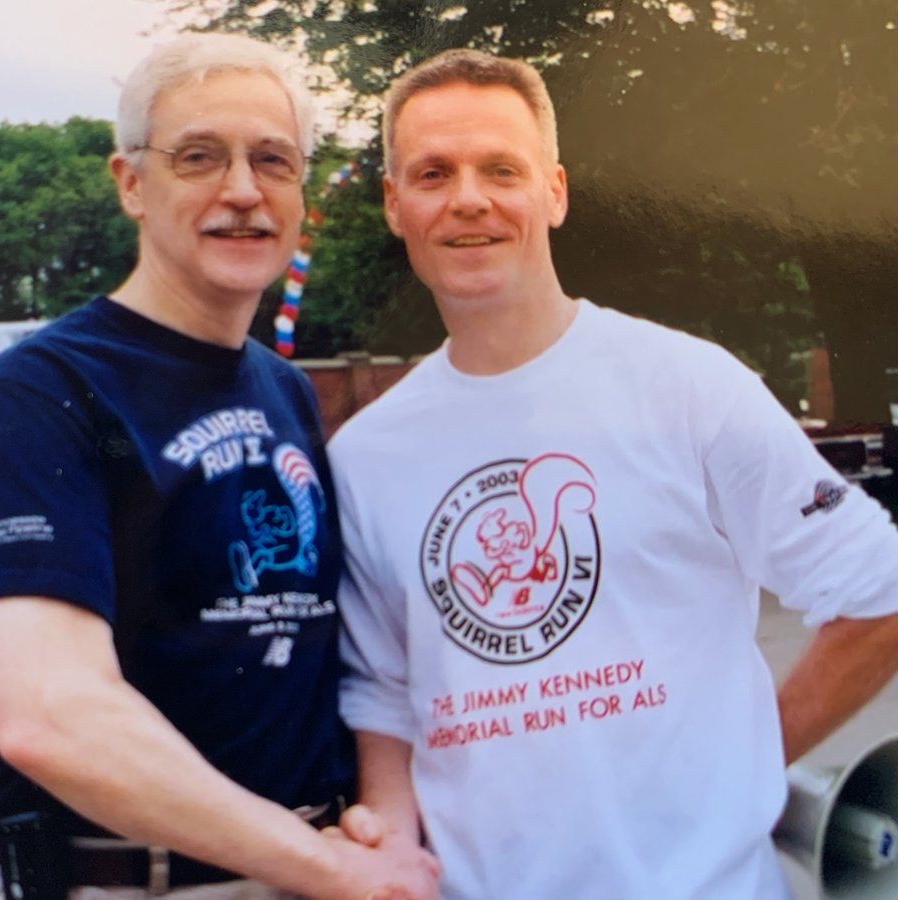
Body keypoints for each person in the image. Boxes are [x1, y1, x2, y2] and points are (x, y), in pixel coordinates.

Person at [329, 48, 898, 900]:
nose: (469, 198)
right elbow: (383, 694)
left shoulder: (688, 387)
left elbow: (879, 592)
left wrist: (743, 760)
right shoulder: (366, 457)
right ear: (395, 204)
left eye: (502, 169)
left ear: (554, 192)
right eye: (434, 173)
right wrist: (389, 843)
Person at [0, 32, 440, 900]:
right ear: (131, 182)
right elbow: (51, 716)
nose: (242, 191)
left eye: (273, 160)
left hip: (304, 869)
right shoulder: (41, 392)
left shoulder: (284, 390)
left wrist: (366, 825)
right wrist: (330, 871)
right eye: (200, 156)